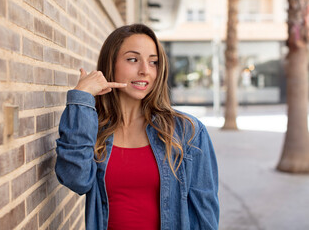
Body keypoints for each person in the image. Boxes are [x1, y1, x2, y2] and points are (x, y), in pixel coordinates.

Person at [55, 24, 219, 230]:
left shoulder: (187, 131)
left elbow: (205, 212)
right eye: (133, 59)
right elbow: (75, 179)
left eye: (153, 62)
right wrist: (81, 98)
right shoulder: (93, 127)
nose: (145, 70)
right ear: (110, 64)